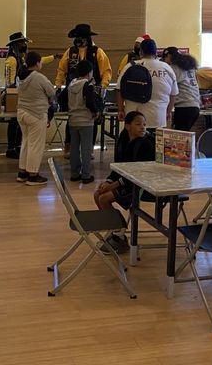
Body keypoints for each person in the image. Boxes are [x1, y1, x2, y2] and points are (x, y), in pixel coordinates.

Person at [92, 111, 156, 253]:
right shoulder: (123, 137)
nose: (142, 127)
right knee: (97, 194)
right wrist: (108, 181)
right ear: (128, 126)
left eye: (144, 124)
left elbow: (138, 173)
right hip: (126, 180)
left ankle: (119, 233)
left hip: (140, 184)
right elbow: (119, 164)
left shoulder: (147, 144)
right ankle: (115, 230)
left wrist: (114, 185)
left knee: (103, 198)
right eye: (138, 124)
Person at [55, 23, 112, 156]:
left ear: (87, 38)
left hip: (92, 90)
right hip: (73, 90)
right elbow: (61, 70)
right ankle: (69, 149)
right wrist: (58, 86)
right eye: (77, 37)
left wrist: (103, 86)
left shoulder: (98, 51)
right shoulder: (70, 52)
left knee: (92, 119)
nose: (78, 40)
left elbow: (106, 71)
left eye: (81, 37)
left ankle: (89, 149)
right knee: (72, 119)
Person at [3, 32, 57, 159]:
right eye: (22, 43)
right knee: (14, 122)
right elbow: (9, 81)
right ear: (16, 44)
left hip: (21, 94)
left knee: (17, 123)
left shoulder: (21, 57)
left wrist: (53, 57)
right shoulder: (11, 59)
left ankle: (17, 148)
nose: (25, 45)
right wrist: (12, 91)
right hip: (15, 94)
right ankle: (11, 148)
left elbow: (38, 61)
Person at [117, 38, 178, 129]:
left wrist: (120, 109)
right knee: (156, 143)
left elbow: (119, 90)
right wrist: (168, 112)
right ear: (156, 52)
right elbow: (173, 95)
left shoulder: (130, 66)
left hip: (134, 120)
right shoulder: (166, 68)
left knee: (135, 143)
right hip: (158, 118)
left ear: (141, 52)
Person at [16, 51, 57, 186]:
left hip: (21, 113)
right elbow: (52, 92)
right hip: (36, 114)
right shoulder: (38, 77)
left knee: (26, 143)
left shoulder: (20, 77)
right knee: (35, 146)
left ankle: (22, 173)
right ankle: (33, 175)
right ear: (37, 63)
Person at [67, 60, 101, 183]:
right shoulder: (87, 85)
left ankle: (74, 174)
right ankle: (86, 175)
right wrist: (96, 111)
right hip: (86, 121)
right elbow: (90, 102)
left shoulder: (71, 84)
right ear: (89, 72)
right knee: (86, 149)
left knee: (74, 148)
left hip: (73, 120)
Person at [162, 46, 200, 131]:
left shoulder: (174, 67)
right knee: (184, 135)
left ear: (169, 56)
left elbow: (168, 86)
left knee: (179, 138)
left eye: (164, 58)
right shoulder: (189, 66)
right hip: (195, 106)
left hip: (184, 107)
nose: (164, 61)